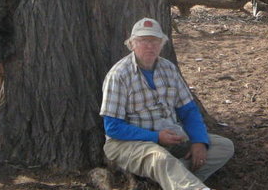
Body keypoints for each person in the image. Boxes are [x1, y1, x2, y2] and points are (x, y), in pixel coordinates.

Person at [100, 18, 234, 190]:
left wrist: (199, 141)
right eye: (143, 41)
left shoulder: (168, 69)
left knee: (223, 146)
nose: (150, 46)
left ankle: (169, 180)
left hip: (172, 137)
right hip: (128, 143)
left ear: (162, 44)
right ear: (132, 44)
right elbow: (113, 127)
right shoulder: (118, 75)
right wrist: (156, 137)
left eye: (155, 41)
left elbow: (189, 111)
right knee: (160, 158)